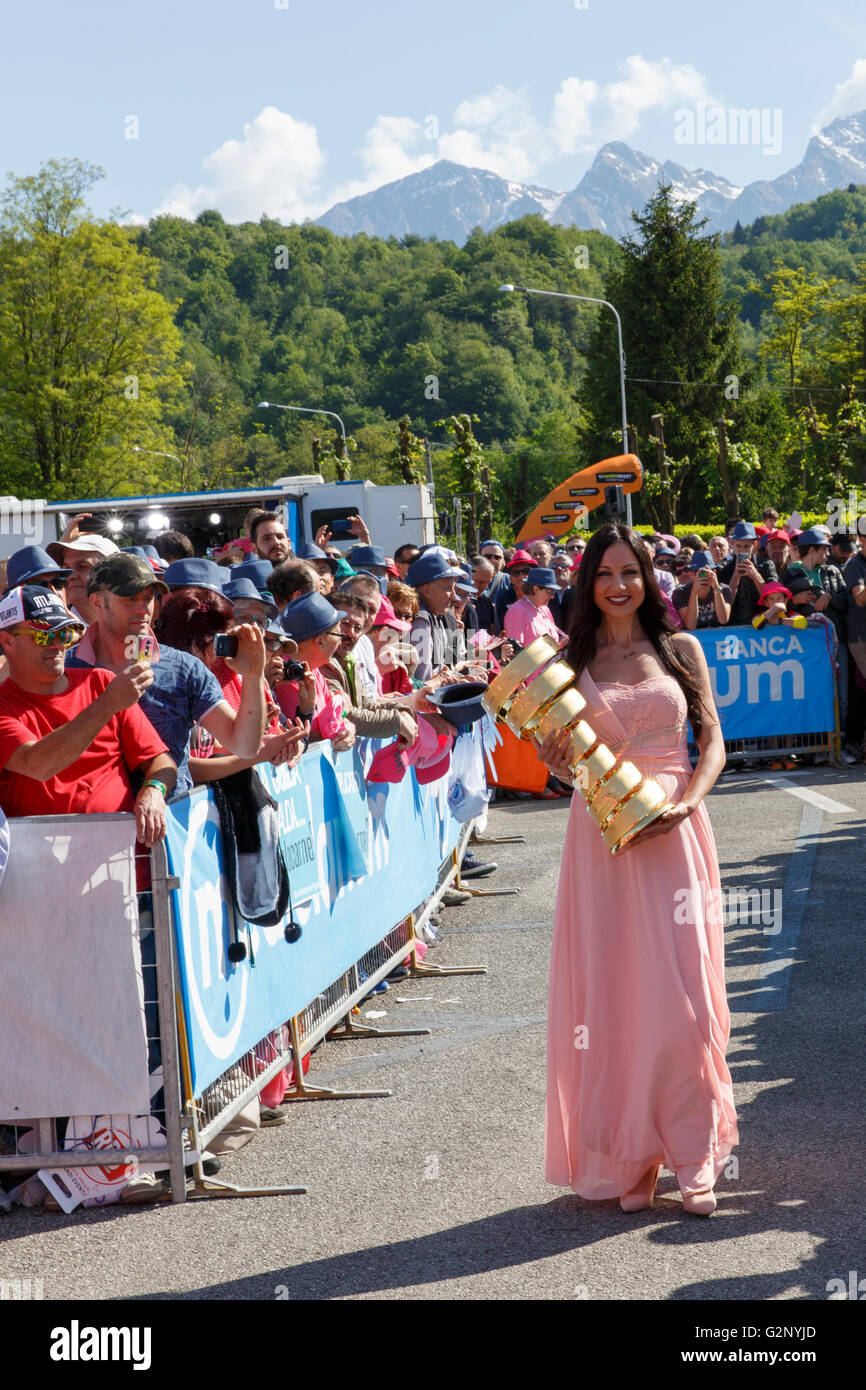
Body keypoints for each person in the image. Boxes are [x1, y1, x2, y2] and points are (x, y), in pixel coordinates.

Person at [538, 524, 738, 1217]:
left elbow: (711, 736)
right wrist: (555, 760)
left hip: (678, 830)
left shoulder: (679, 648)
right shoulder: (571, 658)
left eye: (631, 572)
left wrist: (690, 802)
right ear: (588, 584)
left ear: (651, 579)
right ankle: (633, 1157)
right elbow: (556, 759)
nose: (619, 585)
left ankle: (694, 1154)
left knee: (686, 1001)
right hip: (603, 838)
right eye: (604, 574)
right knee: (619, 1001)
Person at [70, 554, 275, 796]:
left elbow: (244, 746)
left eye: (147, 598)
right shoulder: (66, 667)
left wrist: (253, 675)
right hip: (87, 822)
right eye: (130, 598)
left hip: (172, 822)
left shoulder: (184, 668)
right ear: (96, 602)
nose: (142, 608)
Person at [0, 584, 175, 855]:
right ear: (7, 641)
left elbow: (161, 762)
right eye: (43, 636)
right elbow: (38, 764)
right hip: (38, 878)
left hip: (120, 870)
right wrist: (107, 704)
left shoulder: (101, 683)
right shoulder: (5, 705)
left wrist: (154, 789)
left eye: (64, 633)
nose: (58, 644)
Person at [45, 533, 120, 626]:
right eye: (66, 568)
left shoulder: (136, 624)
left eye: (82, 566)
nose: (71, 576)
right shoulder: (54, 632)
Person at [716, 521, 778, 626]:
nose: (742, 550)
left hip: (762, 624)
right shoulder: (723, 568)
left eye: (746, 546)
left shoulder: (766, 565)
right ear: (733, 545)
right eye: (738, 546)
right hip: (733, 626)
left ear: (754, 545)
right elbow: (724, 604)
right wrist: (736, 574)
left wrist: (756, 576)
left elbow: (774, 601)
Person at [503, 567, 565, 646]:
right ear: (535, 589)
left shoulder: (545, 609)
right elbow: (516, 650)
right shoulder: (517, 611)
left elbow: (551, 646)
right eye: (550, 591)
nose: (552, 596)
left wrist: (561, 645)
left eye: (554, 591)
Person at [672, 551, 732, 629]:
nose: (703, 576)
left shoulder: (724, 589)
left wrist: (716, 588)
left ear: (714, 572)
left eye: (706, 572)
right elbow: (690, 625)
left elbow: (723, 620)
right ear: (691, 574)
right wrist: (694, 591)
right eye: (698, 572)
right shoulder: (680, 593)